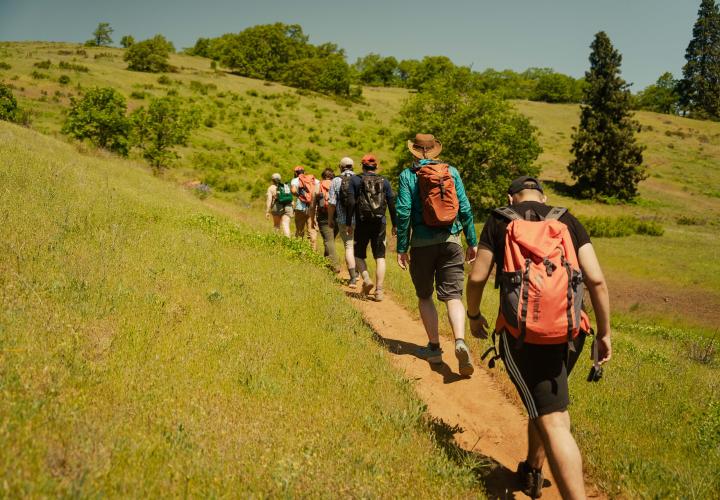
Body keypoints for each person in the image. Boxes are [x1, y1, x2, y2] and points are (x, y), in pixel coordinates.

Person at [466, 176, 612, 500]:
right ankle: (533, 469)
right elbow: (597, 280)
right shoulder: (567, 220)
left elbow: (476, 277)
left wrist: (474, 316)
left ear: (510, 196)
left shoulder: (500, 220)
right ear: (544, 197)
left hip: (524, 339)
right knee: (547, 402)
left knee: (555, 419)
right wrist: (604, 333)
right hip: (572, 334)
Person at [396, 133, 478, 377]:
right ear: (434, 151)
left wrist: (402, 247)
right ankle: (460, 341)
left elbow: (403, 211)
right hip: (452, 240)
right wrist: (472, 241)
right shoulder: (451, 172)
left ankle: (434, 347)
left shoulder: (408, 175)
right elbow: (464, 207)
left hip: (421, 243)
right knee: (453, 296)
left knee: (424, 296)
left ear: (414, 151)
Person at [346, 154, 397, 301]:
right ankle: (379, 291)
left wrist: (349, 223)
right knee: (380, 257)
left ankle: (367, 279)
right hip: (379, 223)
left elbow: (350, 203)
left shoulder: (355, 180)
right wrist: (395, 224)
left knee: (358, 254)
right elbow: (391, 204)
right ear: (376, 167)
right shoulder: (384, 181)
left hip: (362, 223)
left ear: (362, 166)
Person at [328, 157, 358, 287]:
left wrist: (330, 218)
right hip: (360, 219)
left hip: (342, 219)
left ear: (340, 167)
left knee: (348, 246)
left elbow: (332, 202)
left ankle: (352, 278)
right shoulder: (359, 178)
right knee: (357, 245)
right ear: (352, 166)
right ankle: (360, 272)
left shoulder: (335, 180)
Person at [313, 168, 339, 272]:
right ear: (333, 176)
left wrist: (312, 218)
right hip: (336, 215)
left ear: (323, 176)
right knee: (329, 240)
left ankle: (335, 265)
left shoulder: (318, 185)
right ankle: (326, 266)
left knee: (329, 241)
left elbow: (312, 205)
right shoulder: (337, 184)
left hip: (323, 215)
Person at [290, 165, 318, 250]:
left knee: (299, 230)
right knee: (311, 230)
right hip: (312, 208)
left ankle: (298, 250)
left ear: (295, 173)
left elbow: (294, 190)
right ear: (304, 172)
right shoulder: (314, 180)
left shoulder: (295, 180)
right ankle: (313, 252)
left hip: (300, 207)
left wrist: (300, 196)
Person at [265, 172, 293, 237]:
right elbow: (290, 198)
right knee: (285, 224)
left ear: (272, 180)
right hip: (288, 206)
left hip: (277, 207)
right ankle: (288, 241)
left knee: (276, 225)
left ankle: (274, 241)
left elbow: (269, 200)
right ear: (280, 179)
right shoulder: (285, 186)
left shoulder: (271, 188)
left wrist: (267, 211)